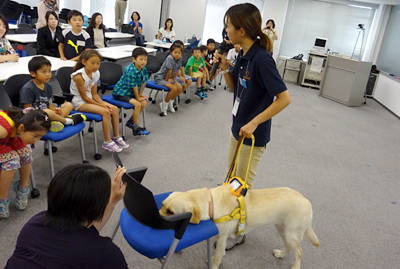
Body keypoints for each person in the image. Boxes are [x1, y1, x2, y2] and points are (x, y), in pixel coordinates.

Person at [214, 3, 291, 249]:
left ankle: (239, 231)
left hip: (252, 135)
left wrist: (255, 121)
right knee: (231, 180)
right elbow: (236, 88)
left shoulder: (262, 59)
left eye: (228, 25)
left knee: (241, 186)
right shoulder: (244, 55)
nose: (226, 29)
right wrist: (225, 67)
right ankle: (231, 221)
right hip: (237, 128)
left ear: (242, 31)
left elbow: (284, 99)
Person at [5, 164, 129, 268]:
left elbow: (84, 233)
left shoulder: (34, 224)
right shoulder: (104, 252)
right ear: (96, 208)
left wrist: (112, 200)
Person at [70, 49, 129, 152]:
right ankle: (107, 142)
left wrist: (102, 103)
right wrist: (102, 106)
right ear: (84, 62)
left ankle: (116, 136)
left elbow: (94, 94)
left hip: (90, 99)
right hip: (79, 102)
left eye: (98, 63)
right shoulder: (79, 76)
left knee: (114, 108)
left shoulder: (96, 73)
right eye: (92, 63)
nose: (95, 66)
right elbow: (84, 98)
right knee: (105, 111)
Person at [0, 107, 50, 219]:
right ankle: (1, 200)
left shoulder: (23, 124)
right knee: (11, 161)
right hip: (3, 139)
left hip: (9, 138)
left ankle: (22, 188)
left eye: (40, 137)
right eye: (35, 136)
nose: (37, 140)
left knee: (26, 151)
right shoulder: (3, 130)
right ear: (22, 128)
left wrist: (30, 139)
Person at [20, 56, 86, 132]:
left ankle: (54, 122)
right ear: (33, 73)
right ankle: (67, 121)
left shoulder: (48, 87)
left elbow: (50, 105)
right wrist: (48, 112)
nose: (48, 74)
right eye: (44, 72)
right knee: (47, 112)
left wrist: (55, 110)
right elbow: (28, 110)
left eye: (49, 71)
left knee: (68, 105)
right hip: (34, 118)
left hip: (47, 115)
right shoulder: (28, 89)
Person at [113, 48, 150, 136]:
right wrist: (137, 98)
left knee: (143, 103)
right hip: (121, 93)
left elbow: (143, 81)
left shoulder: (143, 68)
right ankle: (136, 128)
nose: (143, 62)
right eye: (141, 59)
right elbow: (134, 86)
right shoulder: (129, 70)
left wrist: (140, 94)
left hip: (131, 93)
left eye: (145, 59)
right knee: (137, 104)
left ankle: (131, 122)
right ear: (134, 59)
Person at [154, 44, 184, 116]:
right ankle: (164, 105)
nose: (177, 54)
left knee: (180, 88)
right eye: (175, 52)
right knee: (173, 88)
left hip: (170, 77)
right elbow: (169, 71)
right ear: (171, 52)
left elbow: (177, 70)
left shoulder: (180, 58)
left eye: (179, 53)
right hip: (160, 77)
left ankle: (171, 103)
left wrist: (172, 79)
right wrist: (168, 81)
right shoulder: (170, 58)